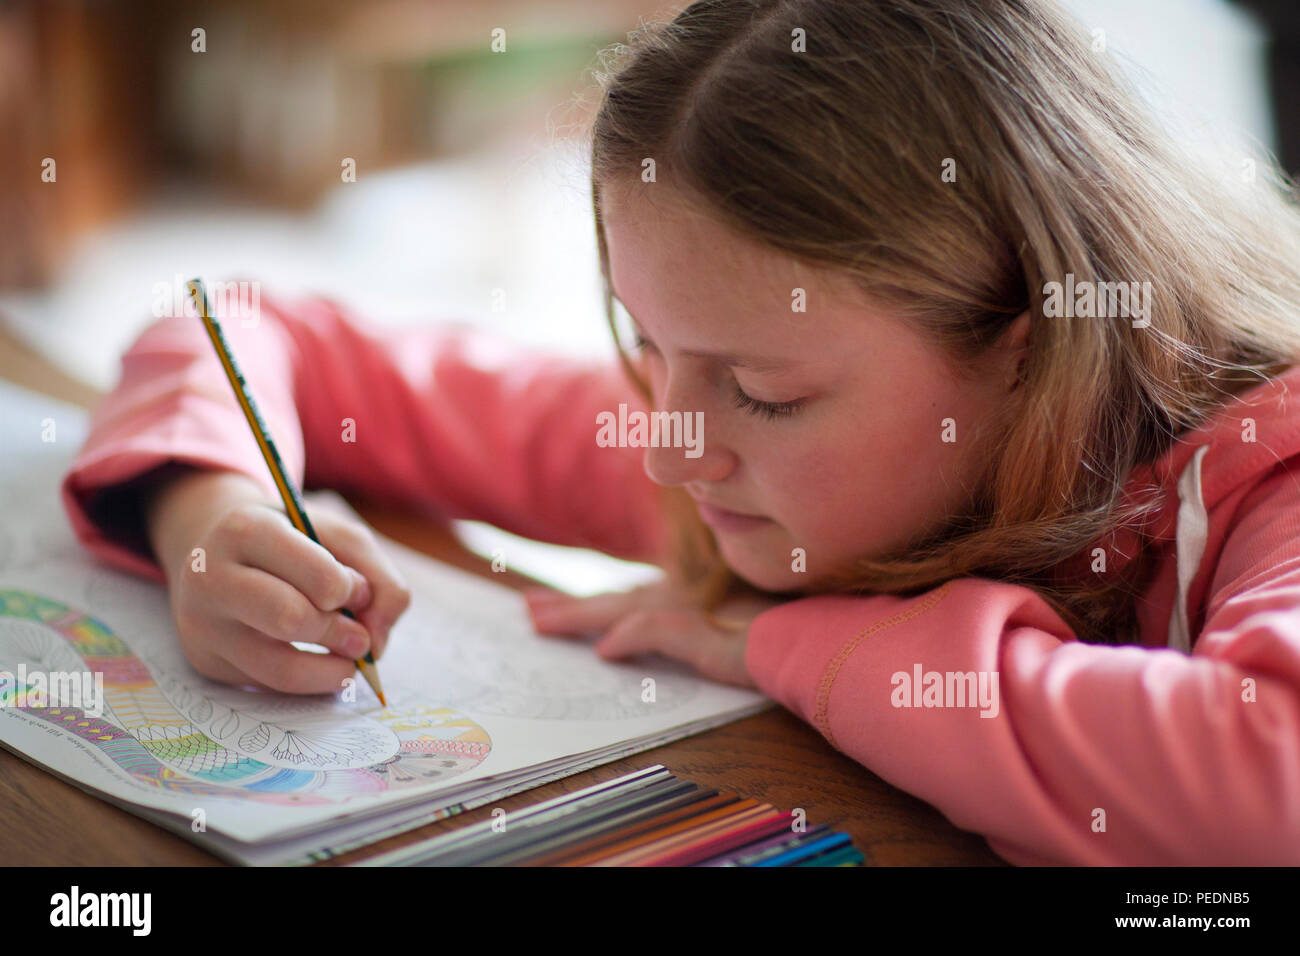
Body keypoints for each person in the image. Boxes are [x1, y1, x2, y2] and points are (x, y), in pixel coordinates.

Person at [62, 0, 1300, 864]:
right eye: (648, 346)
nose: (667, 447)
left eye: (765, 387)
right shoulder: (719, 448)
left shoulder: (1273, 475)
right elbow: (244, 319)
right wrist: (207, 510)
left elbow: (1267, 785)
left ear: (1026, 340)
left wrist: (789, 642)